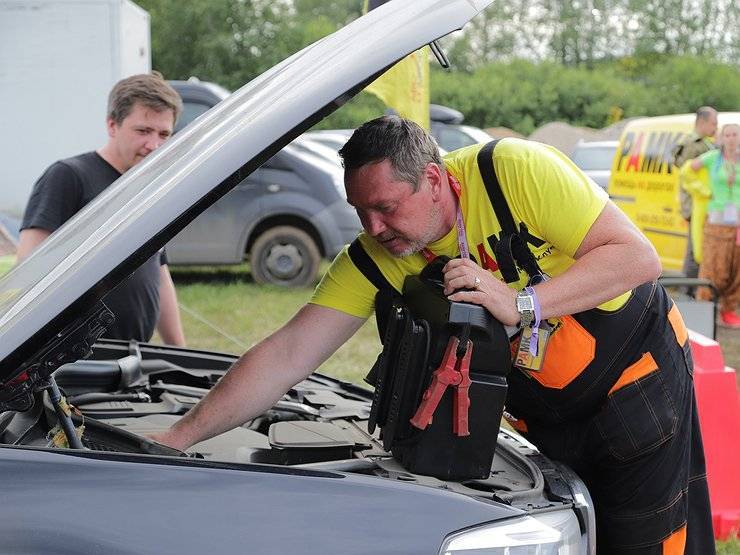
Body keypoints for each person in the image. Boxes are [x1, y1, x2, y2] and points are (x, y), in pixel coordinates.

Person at [152, 116, 714, 553]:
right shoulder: (375, 256)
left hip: (635, 381)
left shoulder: (514, 172)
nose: (373, 228)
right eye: (360, 211)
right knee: (572, 540)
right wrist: (182, 434)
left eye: (386, 207)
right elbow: (286, 353)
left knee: (648, 540)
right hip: (545, 413)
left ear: (434, 178)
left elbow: (636, 257)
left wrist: (520, 302)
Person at [17, 72, 186, 346]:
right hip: (77, 361)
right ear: (112, 125)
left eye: (163, 134)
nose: (154, 145)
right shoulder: (68, 176)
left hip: (134, 355)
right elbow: (28, 268)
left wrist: (179, 351)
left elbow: (159, 273)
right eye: (143, 131)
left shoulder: (150, 189)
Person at [688, 123, 740, 329]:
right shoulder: (712, 159)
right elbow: (687, 171)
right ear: (721, 137)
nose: (731, 138)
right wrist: (702, 191)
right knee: (712, 267)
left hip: (738, 224)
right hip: (717, 221)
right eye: (727, 134)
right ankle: (705, 309)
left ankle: (729, 310)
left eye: (735, 134)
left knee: (736, 269)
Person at [672, 107, 718, 283]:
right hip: (695, 202)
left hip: (705, 202)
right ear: (702, 122)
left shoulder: (706, 142)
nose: (716, 127)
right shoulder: (692, 143)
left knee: (700, 246)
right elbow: (686, 174)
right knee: (694, 249)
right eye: (713, 123)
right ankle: (689, 288)